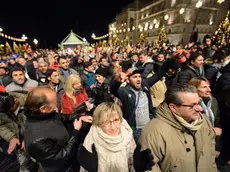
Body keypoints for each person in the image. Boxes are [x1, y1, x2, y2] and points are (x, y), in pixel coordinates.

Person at [138, 83, 217, 172]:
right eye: (192, 106)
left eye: (198, 103)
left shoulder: (204, 122)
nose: (200, 109)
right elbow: (148, 168)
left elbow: (211, 156)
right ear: (173, 108)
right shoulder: (153, 132)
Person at [23, 87, 92, 172]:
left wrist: (80, 117)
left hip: (71, 160)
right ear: (43, 108)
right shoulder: (37, 139)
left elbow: (62, 117)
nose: (57, 105)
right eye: (55, 103)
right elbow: (62, 157)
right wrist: (75, 132)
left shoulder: (45, 114)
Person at [78, 102, 136, 172]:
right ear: (99, 123)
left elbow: (132, 164)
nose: (113, 127)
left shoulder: (127, 135)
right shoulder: (91, 139)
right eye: (107, 122)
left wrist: (139, 166)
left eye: (116, 120)